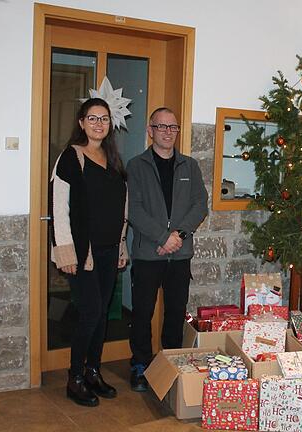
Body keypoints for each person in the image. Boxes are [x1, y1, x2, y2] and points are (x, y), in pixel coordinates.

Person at [50, 98, 128, 407]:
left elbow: (121, 206)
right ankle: (75, 378)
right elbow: (59, 208)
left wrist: (121, 245)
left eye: (104, 119)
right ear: (81, 122)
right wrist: (65, 252)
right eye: (92, 118)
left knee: (102, 316)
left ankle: (93, 371)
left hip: (109, 250)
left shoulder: (112, 159)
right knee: (90, 313)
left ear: (110, 124)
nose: (99, 124)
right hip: (84, 254)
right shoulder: (70, 157)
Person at [126, 107, 208, 392]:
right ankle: (140, 364)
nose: (167, 132)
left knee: (175, 311)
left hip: (180, 255)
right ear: (150, 130)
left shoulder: (190, 165)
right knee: (142, 312)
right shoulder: (136, 166)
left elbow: (200, 204)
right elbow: (134, 210)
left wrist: (179, 236)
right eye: (161, 127)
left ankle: (171, 362)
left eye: (172, 127)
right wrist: (163, 237)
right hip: (148, 254)